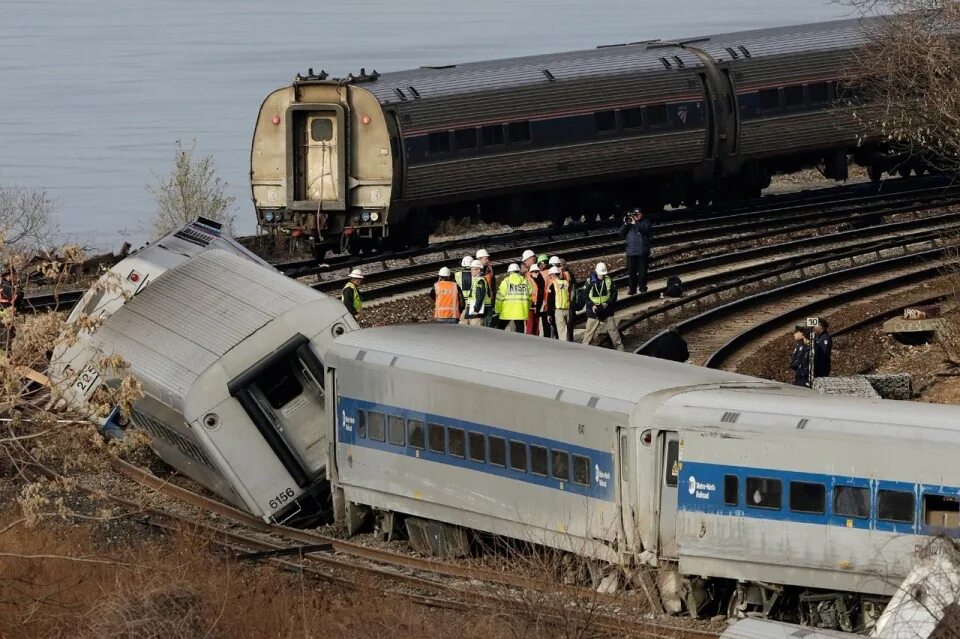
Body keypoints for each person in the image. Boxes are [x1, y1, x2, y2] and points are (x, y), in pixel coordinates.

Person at [582, 262, 624, 351]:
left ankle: (621, 350)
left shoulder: (608, 280)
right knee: (589, 334)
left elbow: (614, 293)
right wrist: (592, 305)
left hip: (606, 309)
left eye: (603, 274)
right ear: (596, 272)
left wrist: (608, 303)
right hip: (593, 310)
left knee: (613, 331)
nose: (602, 276)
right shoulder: (589, 282)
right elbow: (584, 295)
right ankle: (584, 351)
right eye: (601, 274)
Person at [619, 207, 653, 295]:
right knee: (631, 273)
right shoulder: (629, 223)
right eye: (635, 214)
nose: (637, 216)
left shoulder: (646, 222)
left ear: (642, 214)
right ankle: (632, 289)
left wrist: (635, 223)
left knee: (642, 273)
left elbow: (645, 230)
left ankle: (643, 289)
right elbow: (621, 233)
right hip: (631, 252)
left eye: (638, 214)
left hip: (642, 252)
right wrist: (626, 224)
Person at [496, 263, 531, 332]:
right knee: (520, 333)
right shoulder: (525, 282)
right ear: (518, 271)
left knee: (499, 330)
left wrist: (498, 310)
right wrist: (527, 309)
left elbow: (499, 298)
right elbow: (529, 297)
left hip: (507, 311)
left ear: (509, 272)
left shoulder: (506, 282)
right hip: (520, 311)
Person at [546, 266, 570, 341]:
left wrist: (549, 314)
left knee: (562, 331)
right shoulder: (566, 283)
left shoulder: (553, 285)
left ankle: (565, 348)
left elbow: (550, 300)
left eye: (550, 276)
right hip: (567, 309)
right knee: (567, 330)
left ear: (553, 275)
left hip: (559, 310)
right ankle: (569, 343)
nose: (550, 278)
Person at [0, 266, 21, 351]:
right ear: (10, 274)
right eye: (14, 274)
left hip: (3, 315)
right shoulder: (6, 285)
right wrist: (18, 293)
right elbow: (13, 299)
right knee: (6, 339)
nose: (15, 276)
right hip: (5, 316)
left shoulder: (2, 284)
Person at [463, 260, 488, 326]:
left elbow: (480, 296)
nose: (471, 271)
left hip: (476, 313)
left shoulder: (480, 281)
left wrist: (476, 310)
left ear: (479, 270)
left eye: (473, 269)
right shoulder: (476, 280)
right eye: (471, 269)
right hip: (472, 311)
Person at [557, 258, 577, 341]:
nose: (561, 267)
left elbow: (572, 289)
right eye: (560, 265)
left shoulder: (568, 274)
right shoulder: (568, 274)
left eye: (562, 265)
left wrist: (571, 302)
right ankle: (569, 340)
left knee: (568, 325)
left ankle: (569, 341)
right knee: (567, 325)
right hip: (565, 303)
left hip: (568, 303)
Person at [476, 249, 496, 326]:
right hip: (478, 302)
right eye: (486, 258)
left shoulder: (489, 269)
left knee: (488, 324)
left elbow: (492, 286)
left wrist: (493, 299)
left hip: (488, 301)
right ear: (480, 259)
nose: (488, 260)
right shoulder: (474, 270)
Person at [526, 263, 547, 336]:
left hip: (538, 306)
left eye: (538, 271)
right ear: (531, 272)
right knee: (530, 327)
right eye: (535, 272)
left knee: (536, 328)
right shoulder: (528, 281)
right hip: (531, 307)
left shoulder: (540, 280)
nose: (537, 273)